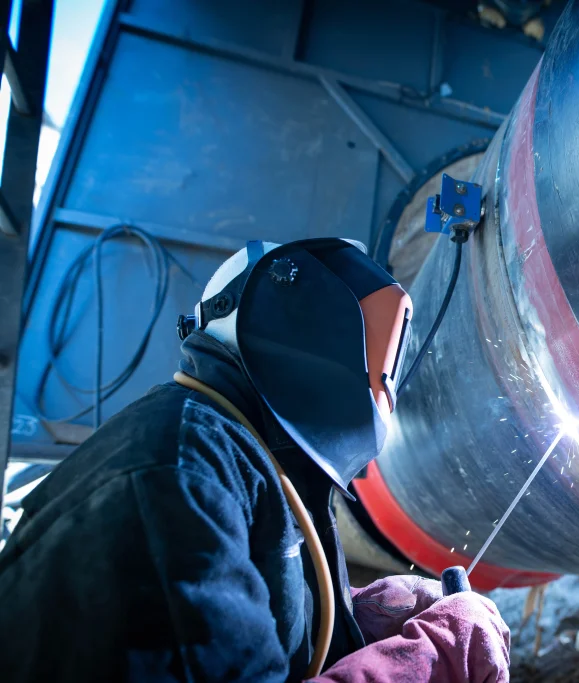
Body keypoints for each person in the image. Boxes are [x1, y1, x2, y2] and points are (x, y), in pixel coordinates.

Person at [0, 239, 510, 682]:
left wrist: (356, 616)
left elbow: (244, 632)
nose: (385, 383)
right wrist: (439, 656)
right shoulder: (177, 474)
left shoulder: (246, 453)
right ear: (314, 323)